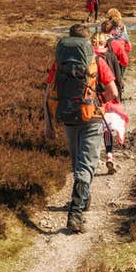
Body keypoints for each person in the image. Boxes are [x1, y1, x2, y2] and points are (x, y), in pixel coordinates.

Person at [44, 24, 118, 233]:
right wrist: (98, 101)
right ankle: (75, 215)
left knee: (77, 163)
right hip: (92, 118)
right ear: (87, 43)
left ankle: (83, 200)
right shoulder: (97, 61)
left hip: (68, 117)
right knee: (86, 165)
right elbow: (113, 91)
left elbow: (48, 93)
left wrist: (48, 124)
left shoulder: (59, 64)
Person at [91, 32, 128, 174]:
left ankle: (92, 158)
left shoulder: (90, 58)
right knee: (107, 128)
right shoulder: (111, 56)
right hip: (109, 96)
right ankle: (109, 155)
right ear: (104, 43)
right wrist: (118, 96)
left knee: (94, 128)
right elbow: (118, 79)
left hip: (93, 97)